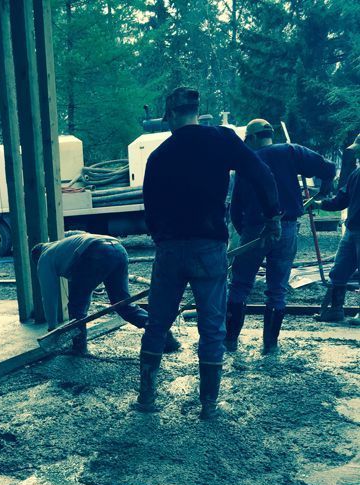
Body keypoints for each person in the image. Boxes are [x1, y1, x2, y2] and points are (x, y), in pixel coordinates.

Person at [138, 88, 280, 418]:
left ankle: (146, 399)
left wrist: (162, 238)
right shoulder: (222, 140)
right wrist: (272, 217)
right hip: (210, 248)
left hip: (170, 249)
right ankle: (209, 406)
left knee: (157, 324)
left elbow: (150, 210)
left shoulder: (159, 156)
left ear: (170, 116)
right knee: (212, 328)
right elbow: (262, 174)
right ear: (197, 112)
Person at [227, 119, 336, 352]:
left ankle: (230, 341)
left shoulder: (247, 162)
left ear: (253, 138)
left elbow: (235, 208)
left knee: (240, 284)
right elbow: (328, 169)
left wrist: (243, 232)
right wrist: (326, 186)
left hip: (254, 229)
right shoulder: (291, 151)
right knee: (277, 289)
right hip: (287, 229)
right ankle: (270, 346)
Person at [33, 231, 180, 354]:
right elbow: (83, 280)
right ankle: (163, 332)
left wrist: (52, 327)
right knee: (122, 303)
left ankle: (79, 348)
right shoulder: (62, 247)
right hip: (118, 249)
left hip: (97, 252)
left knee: (76, 308)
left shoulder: (44, 258)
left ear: (37, 257)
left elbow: (49, 296)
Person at [313, 133, 360, 322]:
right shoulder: (356, 175)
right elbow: (341, 200)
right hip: (352, 231)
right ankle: (335, 310)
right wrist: (320, 204)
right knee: (339, 271)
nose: (357, 155)